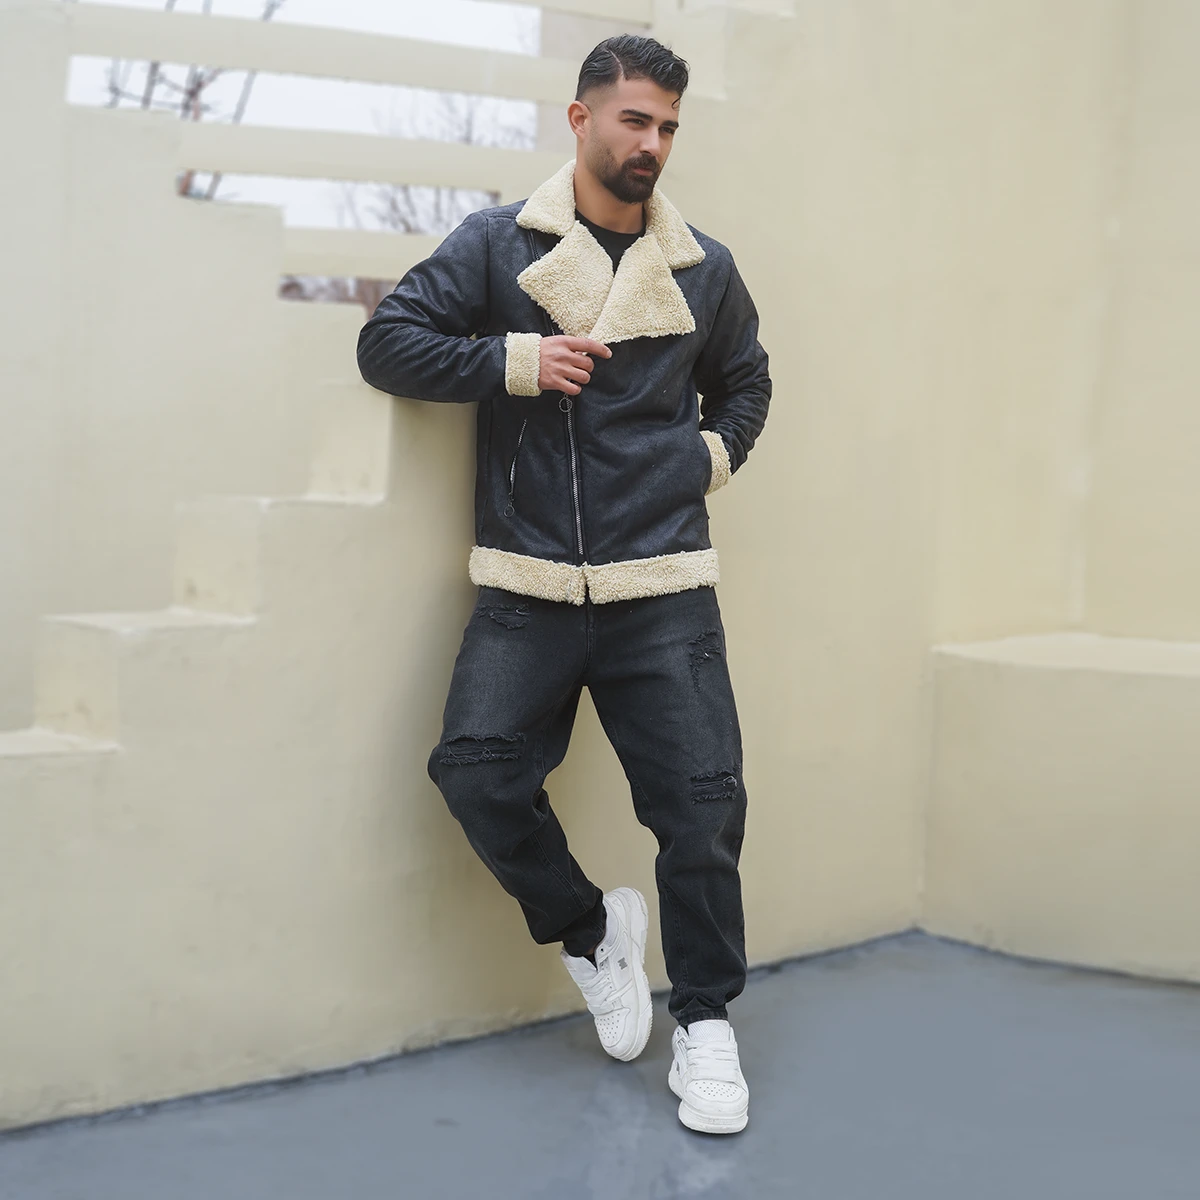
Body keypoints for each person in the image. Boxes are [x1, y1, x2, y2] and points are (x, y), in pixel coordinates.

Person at [356, 34, 771, 1136]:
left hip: (663, 580)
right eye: (635, 119)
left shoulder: (704, 268)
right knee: (475, 772)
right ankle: (592, 933)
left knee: (703, 809)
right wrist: (514, 361)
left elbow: (746, 383)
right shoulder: (499, 245)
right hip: (529, 579)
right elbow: (388, 344)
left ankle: (707, 1023)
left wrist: (707, 460)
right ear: (581, 118)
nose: (653, 144)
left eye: (668, 126)